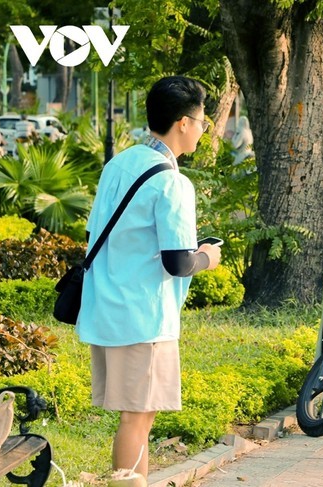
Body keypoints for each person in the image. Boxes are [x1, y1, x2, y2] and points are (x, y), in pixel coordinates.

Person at [77, 76, 221, 480]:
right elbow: (178, 262)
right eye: (202, 121)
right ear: (182, 123)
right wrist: (208, 257)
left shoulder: (119, 163)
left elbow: (94, 236)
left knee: (138, 418)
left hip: (109, 306)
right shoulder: (173, 182)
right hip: (145, 317)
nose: (203, 129)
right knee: (137, 420)